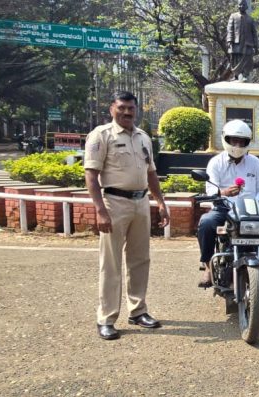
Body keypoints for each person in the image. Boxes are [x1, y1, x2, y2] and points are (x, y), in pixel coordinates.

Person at [84, 91, 170, 340]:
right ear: (112, 108)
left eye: (131, 108)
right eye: (121, 107)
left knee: (140, 259)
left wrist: (160, 202)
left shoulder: (143, 137)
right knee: (110, 264)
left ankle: (138, 310)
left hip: (140, 202)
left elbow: (151, 173)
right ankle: (107, 317)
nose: (127, 112)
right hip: (114, 203)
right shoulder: (101, 135)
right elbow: (91, 175)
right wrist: (100, 210)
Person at [196, 119, 259, 309]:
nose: (237, 145)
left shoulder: (255, 162)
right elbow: (210, 189)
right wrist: (224, 193)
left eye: (242, 141)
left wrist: (256, 204)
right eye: (234, 140)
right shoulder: (215, 162)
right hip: (223, 208)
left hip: (250, 209)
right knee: (206, 223)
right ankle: (208, 266)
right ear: (226, 140)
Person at [226, 0, 258, 81]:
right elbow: (230, 29)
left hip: (247, 43)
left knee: (247, 60)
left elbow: (254, 33)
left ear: (246, 6)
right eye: (240, 5)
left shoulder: (250, 19)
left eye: (243, 5)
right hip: (236, 42)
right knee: (235, 59)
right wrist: (229, 40)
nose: (241, 6)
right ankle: (236, 75)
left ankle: (245, 75)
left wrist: (256, 45)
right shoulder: (233, 16)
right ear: (237, 6)